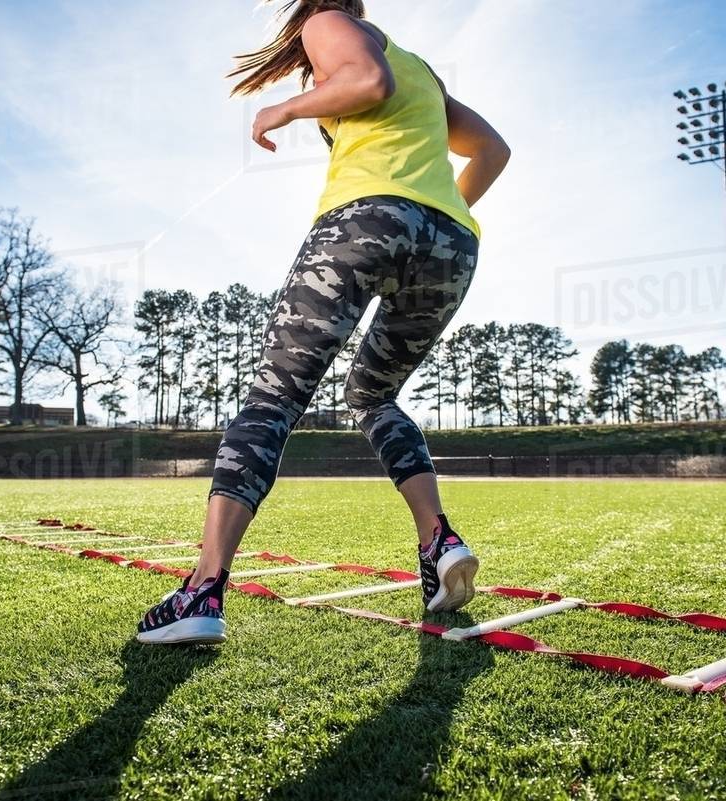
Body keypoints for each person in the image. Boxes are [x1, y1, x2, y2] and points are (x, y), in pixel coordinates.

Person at [138, 0, 510, 644]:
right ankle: (437, 543)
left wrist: (282, 108)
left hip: (363, 221)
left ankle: (202, 589)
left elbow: (367, 82)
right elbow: (493, 151)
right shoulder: (422, 67)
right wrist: (431, 214)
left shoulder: (326, 23)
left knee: (274, 397)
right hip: (450, 243)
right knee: (372, 395)